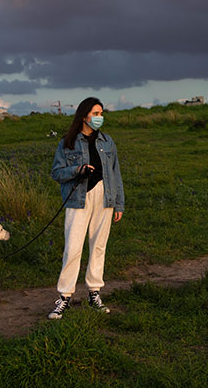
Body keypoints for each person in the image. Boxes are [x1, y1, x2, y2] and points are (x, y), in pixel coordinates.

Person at [48, 97, 125, 320]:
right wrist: (77, 170)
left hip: (105, 197)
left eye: (101, 113)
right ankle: (64, 297)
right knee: (72, 248)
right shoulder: (67, 142)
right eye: (95, 113)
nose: (99, 118)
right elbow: (56, 173)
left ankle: (94, 293)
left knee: (98, 247)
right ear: (84, 116)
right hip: (78, 199)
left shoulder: (108, 141)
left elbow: (116, 174)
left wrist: (118, 203)